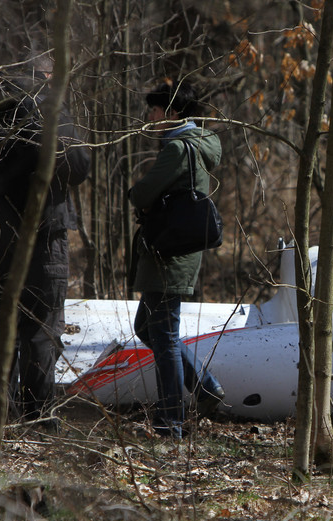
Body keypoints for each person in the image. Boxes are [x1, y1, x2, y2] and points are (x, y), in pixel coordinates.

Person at [0, 61, 90, 425]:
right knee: (42, 325)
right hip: (44, 237)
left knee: (2, 320)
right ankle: (38, 415)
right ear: (42, 78)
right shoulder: (49, 111)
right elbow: (79, 164)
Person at [130, 80, 225, 438]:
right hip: (179, 250)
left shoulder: (176, 150)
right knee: (147, 328)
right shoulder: (198, 144)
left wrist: (136, 193)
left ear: (172, 113)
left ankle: (170, 423)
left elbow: (142, 191)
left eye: (155, 110)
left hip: (168, 253)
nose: (150, 117)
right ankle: (204, 386)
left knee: (165, 336)